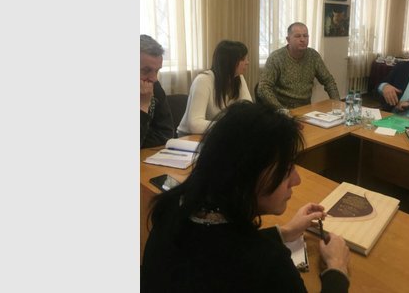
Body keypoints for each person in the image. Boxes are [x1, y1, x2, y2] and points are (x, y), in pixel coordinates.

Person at [141, 102, 351, 292]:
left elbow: (219, 244)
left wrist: (285, 232)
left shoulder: (170, 208)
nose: (296, 180)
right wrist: (337, 268)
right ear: (247, 174)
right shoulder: (269, 264)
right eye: (286, 170)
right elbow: (240, 252)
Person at [257, 22, 340, 109]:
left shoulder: (313, 56)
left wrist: (337, 104)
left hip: (305, 108)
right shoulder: (276, 58)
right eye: (297, 36)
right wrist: (281, 110)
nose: (302, 39)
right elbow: (263, 88)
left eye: (305, 36)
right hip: (282, 108)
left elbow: (328, 81)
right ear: (288, 39)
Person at [177, 40, 252, 135]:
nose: (247, 62)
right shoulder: (203, 80)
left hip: (218, 133)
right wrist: (229, 125)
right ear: (230, 62)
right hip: (189, 136)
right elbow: (195, 124)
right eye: (243, 59)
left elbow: (248, 111)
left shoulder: (238, 78)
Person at [140, 34, 174, 148]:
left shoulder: (155, 86)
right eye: (146, 70)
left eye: (157, 71)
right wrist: (143, 105)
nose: (154, 78)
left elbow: (167, 133)